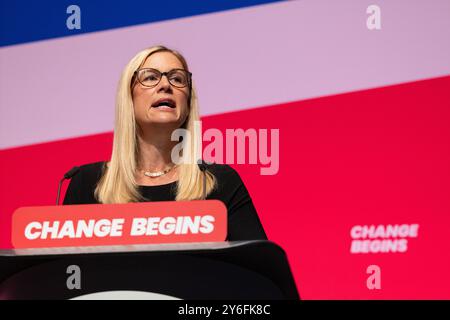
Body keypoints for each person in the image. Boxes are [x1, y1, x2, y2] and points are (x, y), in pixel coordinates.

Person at [63, 45, 267, 241]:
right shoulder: (87, 184)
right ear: (129, 98)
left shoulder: (217, 183)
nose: (165, 85)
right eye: (151, 77)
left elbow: (261, 272)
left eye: (177, 79)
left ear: (187, 104)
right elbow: (60, 271)